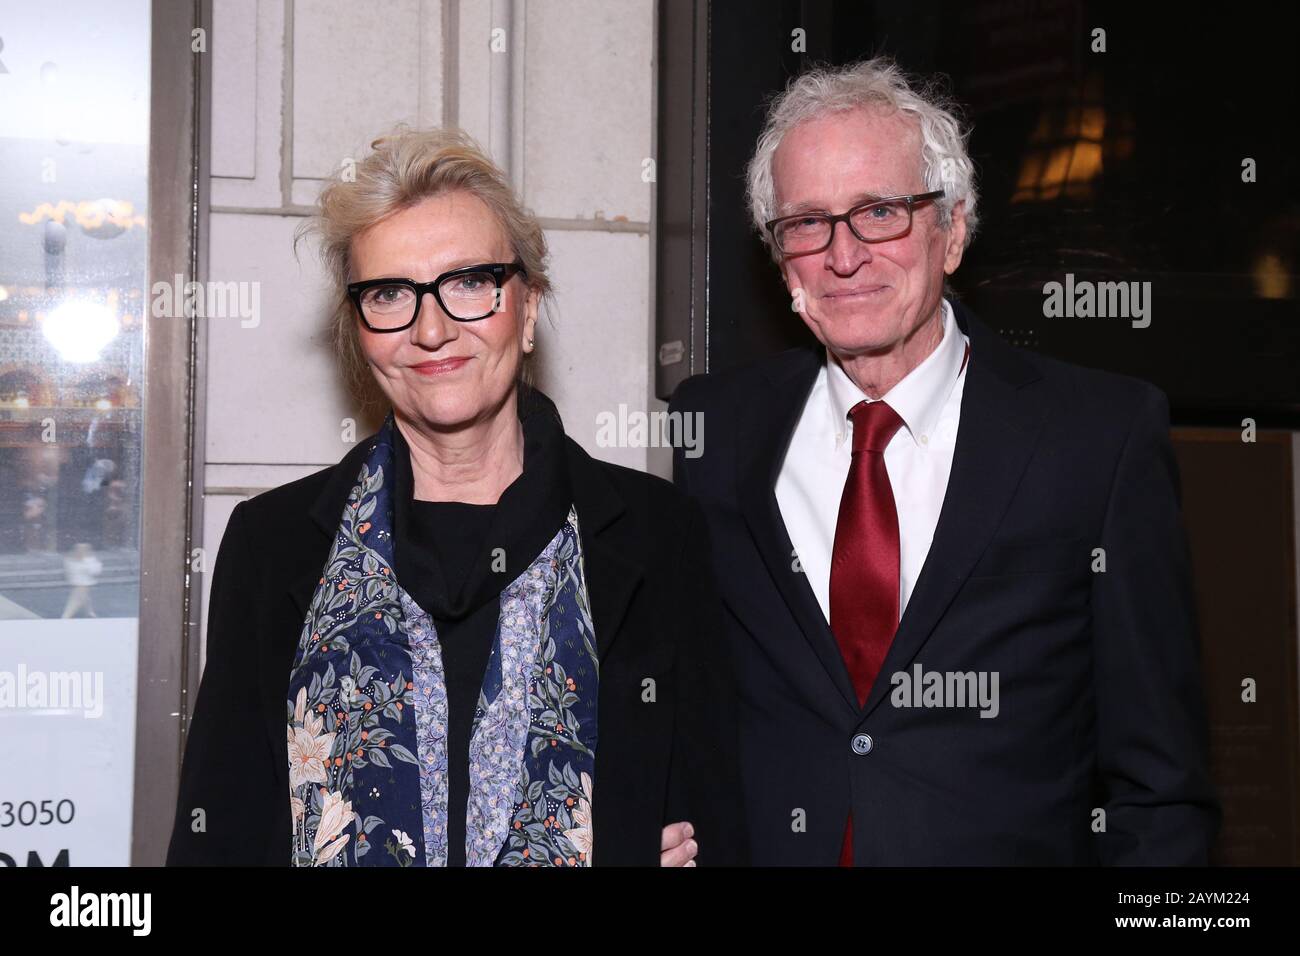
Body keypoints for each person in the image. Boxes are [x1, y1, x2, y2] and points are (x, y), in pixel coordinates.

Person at [670, 58, 1219, 865]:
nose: (842, 256)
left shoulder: (1097, 437)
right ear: (778, 254)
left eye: (880, 213)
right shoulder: (716, 428)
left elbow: (1162, 788)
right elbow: (688, 703)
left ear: (952, 230)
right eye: (806, 224)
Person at [167, 127, 745, 867]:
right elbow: (217, 837)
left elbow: (714, 817)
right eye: (390, 294)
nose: (432, 329)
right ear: (360, 331)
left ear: (528, 308)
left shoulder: (657, 535)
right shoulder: (273, 544)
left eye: (471, 282)